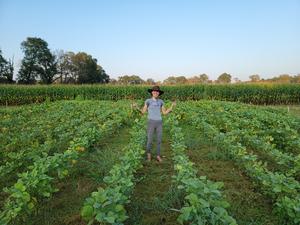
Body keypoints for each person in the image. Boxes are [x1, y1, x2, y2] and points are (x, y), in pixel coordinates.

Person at [132, 86, 176, 162]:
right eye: (154, 91)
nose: (156, 92)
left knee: (159, 140)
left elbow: (164, 113)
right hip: (151, 122)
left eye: (157, 91)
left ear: (159, 93)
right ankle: (149, 155)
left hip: (159, 122)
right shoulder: (148, 101)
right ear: (152, 92)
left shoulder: (161, 102)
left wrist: (171, 107)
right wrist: (136, 107)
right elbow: (143, 112)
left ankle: (158, 156)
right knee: (150, 139)